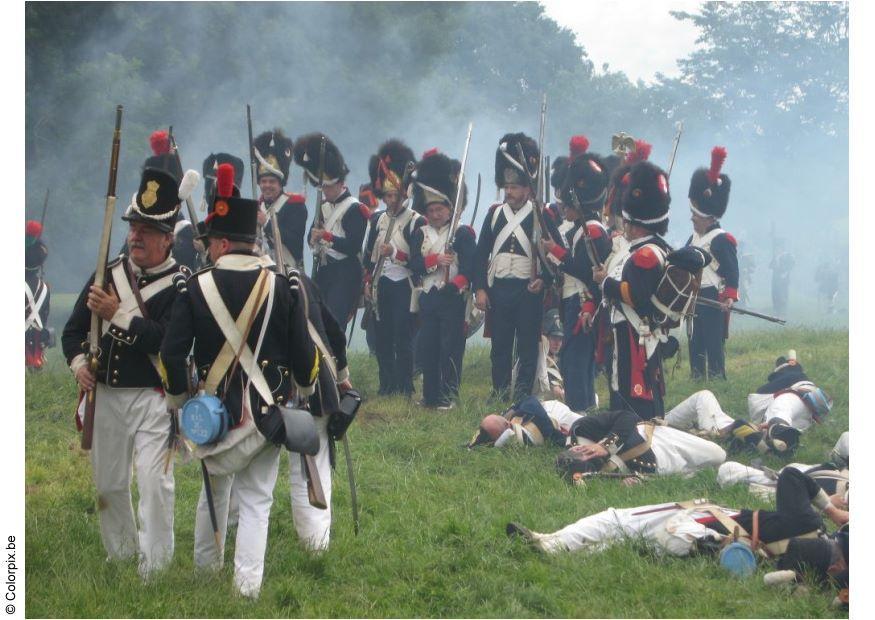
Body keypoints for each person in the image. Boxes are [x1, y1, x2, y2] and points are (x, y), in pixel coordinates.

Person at [160, 162, 319, 597]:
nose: (207, 249)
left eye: (211, 242)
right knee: (256, 501)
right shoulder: (282, 286)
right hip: (268, 412)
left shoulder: (195, 286)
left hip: (212, 415)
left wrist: (181, 401)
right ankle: (246, 586)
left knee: (212, 489)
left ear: (224, 241)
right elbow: (304, 353)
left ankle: (205, 569)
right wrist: (303, 388)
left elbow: (173, 354)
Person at [62, 165, 197, 577]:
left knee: (156, 487)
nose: (136, 236)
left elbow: (165, 342)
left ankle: (154, 568)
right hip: (106, 395)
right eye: (134, 227)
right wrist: (80, 365)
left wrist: (115, 314)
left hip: (154, 397)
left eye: (147, 230)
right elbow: (71, 332)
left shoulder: (181, 284)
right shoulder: (108, 271)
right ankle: (120, 556)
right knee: (109, 485)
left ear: (166, 239)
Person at [507, 467, 848, 557]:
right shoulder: (812, 555)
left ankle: (554, 544)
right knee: (632, 541)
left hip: (714, 522)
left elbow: (791, 476)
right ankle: (555, 544)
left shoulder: (808, 521)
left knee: (620, 520)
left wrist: (832, 510)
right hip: (725, 532)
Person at [473, 132, 558, 401]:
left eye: (514, 187)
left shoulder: (541, 214)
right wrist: (480, 289)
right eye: (506, 186)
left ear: (526, 187)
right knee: (499, 344)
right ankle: (498, 391)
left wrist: (543, 280)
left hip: (527, 291)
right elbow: (480, 255)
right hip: (499, 288)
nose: (508, 191)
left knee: (526, 346)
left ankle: (522, 393)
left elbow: (554, 255)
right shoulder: (494, 214)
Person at [593, 159, 673, 420]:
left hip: (633, 331)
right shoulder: (652, 248)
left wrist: (606, 283)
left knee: (632, 388)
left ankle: (635, 430)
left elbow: (635, 295)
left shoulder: (645, 255)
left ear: (633, 223)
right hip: (632, 331)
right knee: (627, 383)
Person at [542, 136, 612, 411]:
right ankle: (580, 407)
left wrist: (556, 253)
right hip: (574, 300)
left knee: (576, 359)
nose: (563, 209)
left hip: (582, 301)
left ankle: (578, 410)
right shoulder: (583, 229)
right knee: (575, 358)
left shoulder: (592, 231)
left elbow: (586, 271)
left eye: (567, 205)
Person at [409, 150, 476, 409]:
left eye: (440, 209)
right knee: (428, 347)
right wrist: (436, 261)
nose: (436, 214)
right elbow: (414, 264)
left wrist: (455, 284)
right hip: (428, 297)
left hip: (452, 297)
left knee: (450, 348)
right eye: (432, 209)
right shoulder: (420, 233)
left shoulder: (462, 233)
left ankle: (449, 397)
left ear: (450, 208)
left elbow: (470, 268)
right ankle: (430, 396)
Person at [363, 139, 423, 396]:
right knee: (382, 337)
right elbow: (368, 256)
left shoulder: (415, 221)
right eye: (388, 195)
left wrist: (396, 253)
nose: (391, 200)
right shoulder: (377, 219)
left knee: (402, 336)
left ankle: (404, 384)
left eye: (396, 196)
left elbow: (419, 262)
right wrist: (367, 280)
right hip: (381, 284)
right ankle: (386, 384)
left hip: (404, 285)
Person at [298, 132, 369, 330]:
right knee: (316, 319)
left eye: (328, 187)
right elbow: (311, 235)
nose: (324, 191)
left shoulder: (355, 208)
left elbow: (353, 246)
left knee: (335, 322)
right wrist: (313, 238)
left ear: (339, 183)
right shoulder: (324, 205)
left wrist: (326, 236)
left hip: (345, 272)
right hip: (325, 269)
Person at [686, 147, 739, 380]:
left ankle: (717, 378)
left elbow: (732, 269)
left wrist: (729, 295)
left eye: (695, 216)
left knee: (713, 342)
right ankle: (697, 376)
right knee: (695, 339)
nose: (692, 219)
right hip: (695, 296)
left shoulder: (721, 239)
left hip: (713, 296)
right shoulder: (693, 238)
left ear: (707, 217)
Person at [746, 351, 833, 454]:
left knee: (780, 408)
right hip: (807, 417)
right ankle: (780, 442)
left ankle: (777, 430)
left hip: (796, 398)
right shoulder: (801, 377)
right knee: (787, 423)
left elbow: (760, 391)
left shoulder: (791, 376)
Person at [253, 129, 309, 271]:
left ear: (280, 184)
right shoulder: (256, 206)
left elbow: (294, 241)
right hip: (260, 266)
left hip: (287, 267)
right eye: (263, 181)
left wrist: (265, 223)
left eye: (272, 181)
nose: (267, 185)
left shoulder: (295, 206)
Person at [512, 308, 565, 402]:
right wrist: (553, 385)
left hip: (551, 399)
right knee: (542, 342)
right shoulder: (538, 347)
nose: (557, 343)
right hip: (530, 392)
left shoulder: (561, 358)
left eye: (560, 339)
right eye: (554, 338)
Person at [25, 220, 51, 369]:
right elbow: (43, 255)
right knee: (40, 322)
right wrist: (38, 239)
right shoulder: (41, 249)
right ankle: (37, 356)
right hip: (38, 286)